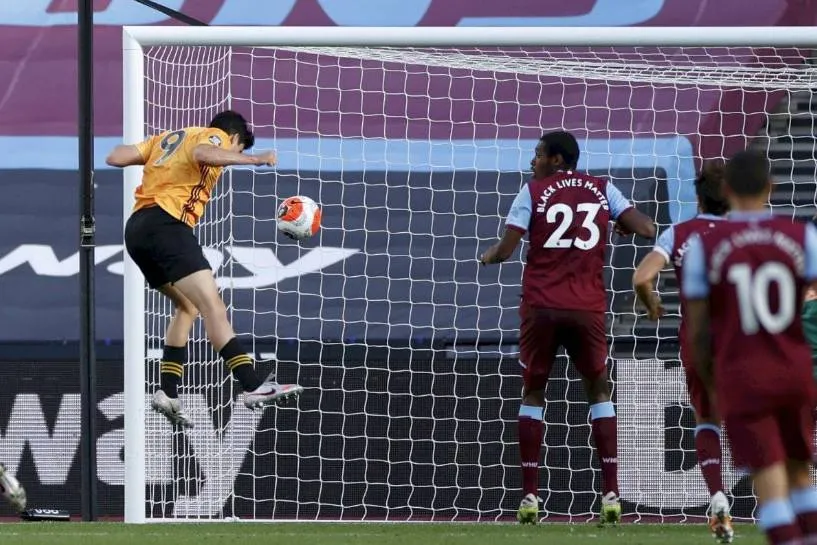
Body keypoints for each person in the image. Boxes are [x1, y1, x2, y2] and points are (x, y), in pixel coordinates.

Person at [480, 131, 656, 525]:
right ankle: (611, 494)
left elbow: (507, 249)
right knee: (598, 389)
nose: (533, 162)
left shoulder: (533, 191)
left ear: (558, 159)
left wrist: (489, 255)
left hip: (541, 307)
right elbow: (646, 229)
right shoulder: (603, 188)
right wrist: (620, 221)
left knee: (534, 391)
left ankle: (529, 497)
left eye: (539, 155)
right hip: (586, 309)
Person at [106, 110, 303, 428]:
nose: (230, 157)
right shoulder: (216, 137)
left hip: (137, 230)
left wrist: (150, 157)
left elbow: (115, 157)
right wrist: (254, 160)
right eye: (235, 150)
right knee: (213, 305)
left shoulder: (165, 139)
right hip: (168, 225)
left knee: (188, 306)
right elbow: (204, 153)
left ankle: (168, 392)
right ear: (234, 138)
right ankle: (252, 385)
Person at [683, 150, 817, 545]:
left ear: (725, 190)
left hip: (744, 375)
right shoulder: (803, 237)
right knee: (802, 478)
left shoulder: (703, 248)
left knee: (771, 487)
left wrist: (712, 381)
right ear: (770, 188)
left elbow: (699, 329)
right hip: (794, 371)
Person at [632, 162, 733, 542]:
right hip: (746, 340)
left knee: (706, 418)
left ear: (698, 198)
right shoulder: (750, 233)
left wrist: (651, 302)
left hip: (699, 341)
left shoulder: (680, 233)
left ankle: (718, 497)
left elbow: (641, 277)